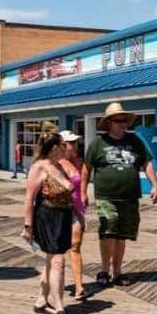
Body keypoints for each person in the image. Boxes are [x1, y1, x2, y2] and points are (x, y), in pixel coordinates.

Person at [81, 101, 157, 288]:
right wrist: (82, 192)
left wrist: (155, 186)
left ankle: (117, 272)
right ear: (109, 123)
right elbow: (86, 169)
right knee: (108, 231)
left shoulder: (135, 141)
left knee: (121, 235)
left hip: (130, 197)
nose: (122, 124)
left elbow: (147, 163)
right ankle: (103, 270)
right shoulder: (97, 144)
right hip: (106, 197)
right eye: (118, 120)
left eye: (124, 120)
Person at [22, 131, 75, 314]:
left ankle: (41, 300)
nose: (67, 148)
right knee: (58, 262)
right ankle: (60, 308)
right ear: (54, 148)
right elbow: (29, 199)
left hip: (63, 218)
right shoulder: (39, 167)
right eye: (63, 145)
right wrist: (28, 227)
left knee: (51, 261)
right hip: (47, 218)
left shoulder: (59, 166)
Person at [58, 129, 90, 303]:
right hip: (59, 211)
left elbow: (82, 180)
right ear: (62, 145)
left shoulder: (78, 161)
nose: (75, 145)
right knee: (57, 252)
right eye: (71, 143)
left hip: (76, 210)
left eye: (75, 142)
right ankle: (51, 287)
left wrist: (84, 195)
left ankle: (79, 287)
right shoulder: (55, 164)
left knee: (75, 246)